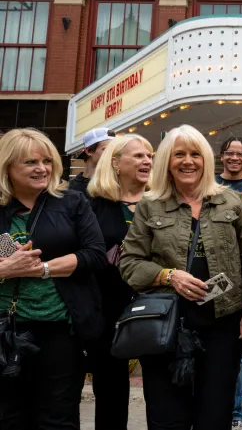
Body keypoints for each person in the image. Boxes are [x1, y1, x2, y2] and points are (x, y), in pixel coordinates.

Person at [120, 124, 242, 430]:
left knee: (215, 416)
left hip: (222, 327)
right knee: (167, 417)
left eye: (195, 154)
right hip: (167, 328)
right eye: (179, 154)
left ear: (206, 160)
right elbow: (129, 263)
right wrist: (168, 276)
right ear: (167, 162)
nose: (188, 161)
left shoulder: (231, 201)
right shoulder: (150, 204)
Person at [0, 128, 106, 429]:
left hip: (60, 328)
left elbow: (95, 253)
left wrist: (43, 269)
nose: (42, 168)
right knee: (8, 415)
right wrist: (6, 269)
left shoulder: (71, 202)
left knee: (58, 416)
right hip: (5, 329)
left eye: (47, 161)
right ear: (8, 166)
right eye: (30, 162)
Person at [86, 134, 153, 429]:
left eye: (149, 155)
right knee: (111, 395)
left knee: (164, 394)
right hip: (106, 311)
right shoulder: (90, 204)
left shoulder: (164, 202)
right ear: (115, 162)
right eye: (138, 156)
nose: (147, 161)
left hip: (157, 309)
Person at [216, 136, 242, 430]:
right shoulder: (210, 185)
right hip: (213, 279)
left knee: (237, 351)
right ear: (221, 157)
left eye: (239, 154)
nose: (234, 158)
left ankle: (235, 414)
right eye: (229, 153)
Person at [69, 127, 116, 195]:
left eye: (114, 149)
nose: (111, 153)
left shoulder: (117, 184)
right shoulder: (71, 189)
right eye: (106, 149)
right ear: (89, 151)